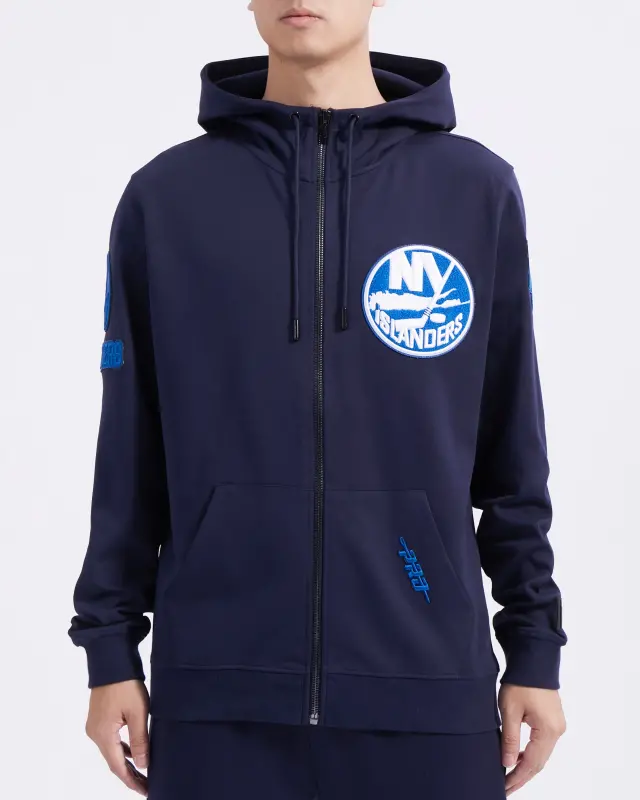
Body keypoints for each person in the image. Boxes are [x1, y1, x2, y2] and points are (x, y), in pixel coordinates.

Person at [68, 1, 568, 798]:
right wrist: (109, 648)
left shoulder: (474, 191)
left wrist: (534, 647)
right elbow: (130, 445)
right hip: (218, 696)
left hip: (427, 691)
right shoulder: (166, 199)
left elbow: (512, 443)